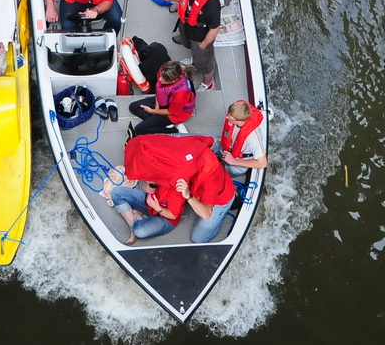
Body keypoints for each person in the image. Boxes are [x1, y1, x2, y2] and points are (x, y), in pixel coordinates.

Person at [102, 133, 236, 245]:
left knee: (198, 239)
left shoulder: (205, 181)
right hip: (154, 203)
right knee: (117, 193)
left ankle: (223, 212)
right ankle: (135, 220)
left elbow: (201, 213)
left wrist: (187, 196)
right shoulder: (183, 158)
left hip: (211, 201)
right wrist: (147, 186)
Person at [171, 0, 223, 89]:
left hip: (200, 36)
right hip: (187, 26)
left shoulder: (212, 7)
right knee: (188, 46)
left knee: (204, 62)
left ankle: (207, 82)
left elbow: (214, 29)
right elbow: (187, 3)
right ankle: (194, 60)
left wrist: (204, 44)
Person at [129, 61, 195, 135]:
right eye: (160, 76)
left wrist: (152, 111)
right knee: (133, 107)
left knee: (138, 130)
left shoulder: (181, 93)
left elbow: (171, 111)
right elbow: (158, 90)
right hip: (164, 99)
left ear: (174, 80)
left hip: (174, 113)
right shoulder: (164, 70)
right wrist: (157, 107)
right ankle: (158, 122)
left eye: (164, 79)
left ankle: (172, 130)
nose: (160, 79)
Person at [218, 99, 267, 189]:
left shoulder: (253, 138)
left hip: (237, 161)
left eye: (231, 118)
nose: (227, 118)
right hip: (227, 148)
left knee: (226, 173)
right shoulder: (235, 114)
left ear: (240, 122)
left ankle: (226, 180)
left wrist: (233, 161)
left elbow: (263, 163)